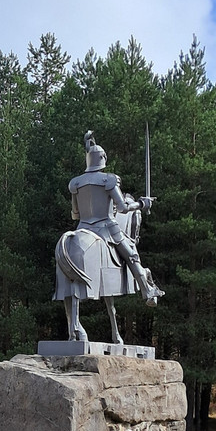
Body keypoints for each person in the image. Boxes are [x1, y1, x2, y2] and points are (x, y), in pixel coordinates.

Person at [68, 131, 163, 306]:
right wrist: (142, 204)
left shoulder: (76, 182)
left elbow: (75, 214)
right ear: (103, 159)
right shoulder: (108, 180)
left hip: (82, 228)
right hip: (106, 228)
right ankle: (148, 291)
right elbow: (123, 208)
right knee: (132, 256)